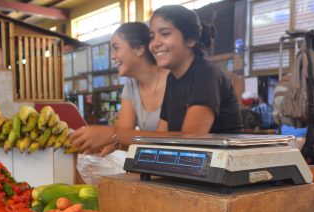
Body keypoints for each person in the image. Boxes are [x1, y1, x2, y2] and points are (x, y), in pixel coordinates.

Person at [71, 5, 243, 154]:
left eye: (165, 34)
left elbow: (191, 140)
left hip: (226, 182)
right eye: (153, 36)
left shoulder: (206, 74)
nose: (155, 43)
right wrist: (116, 143)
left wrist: (114, 134)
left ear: (190, 39)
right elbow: (160, 138)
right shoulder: (174, 80)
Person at [71, 22, 169, 155]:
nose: (112, 56)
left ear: (139, 49)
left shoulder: (173, 80)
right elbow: (123, 135)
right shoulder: (131, 84)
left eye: (116, 48)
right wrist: (102, 145)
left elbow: (166, 140)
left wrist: (113, 134)